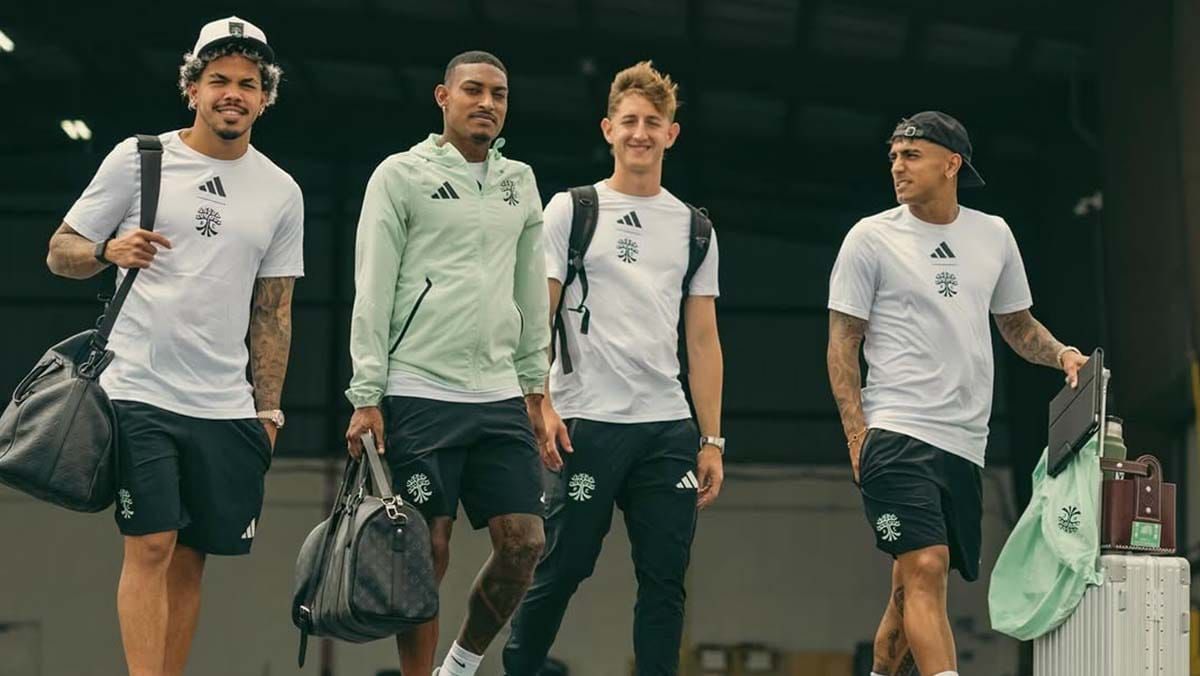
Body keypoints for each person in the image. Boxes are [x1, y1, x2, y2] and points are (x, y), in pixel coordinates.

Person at [45, 16, 303, 676]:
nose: (233, 93)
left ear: (265, 97)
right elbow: (59, 253)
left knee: (192, 556)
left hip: (224, 402)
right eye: (218, 79)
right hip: (139, 388)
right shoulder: (140, 159)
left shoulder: (280, 191)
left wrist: (268, 411)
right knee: (152, 542)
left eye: (248, 83)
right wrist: (106, 249)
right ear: (192, 87)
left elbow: (273, 312)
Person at [826, 111, 1089, 676]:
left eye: (911, 155)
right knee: (925, 564)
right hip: (895, 431)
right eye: (893, 155)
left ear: (952, 165)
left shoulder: (992, 235)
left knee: (909, 586)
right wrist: (857, 431)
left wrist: (1063, 353)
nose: (897, 166)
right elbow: (842, 341)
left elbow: (1017, 325)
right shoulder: (869, 237)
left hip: (966, 443)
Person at [503, 61, 725, 676]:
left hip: (666, 429)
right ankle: (518, 667)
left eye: (654, 123)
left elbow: (702, 341)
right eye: (629, 121)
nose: (640, 133)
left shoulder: (695, 228)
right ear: (608, 128)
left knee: (665, 580)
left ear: (672, 134)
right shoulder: (571, 210)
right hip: (587, 421)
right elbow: (537, 315)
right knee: (565, 564)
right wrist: (540, 402)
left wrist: (711, 439)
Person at [344, 50, 550, 676]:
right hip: (418, 388)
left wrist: (536, 388)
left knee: (525, 544)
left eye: (500, 93)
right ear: (443, 96)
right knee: (425, 548)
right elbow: (373, 285)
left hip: (496, 393)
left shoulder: (520, 180)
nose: (487, 102)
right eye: (474, 90)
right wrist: (366, 393)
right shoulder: (400, 175)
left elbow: (529, 290)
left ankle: (457, 668)